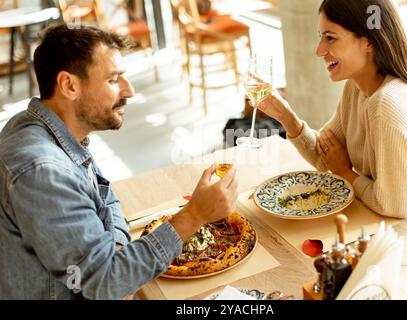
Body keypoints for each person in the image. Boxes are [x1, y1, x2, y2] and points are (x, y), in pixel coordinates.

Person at [0, 24, 238, 299]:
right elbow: (107, 284)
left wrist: (117, 254)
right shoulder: (42, 171)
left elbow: (107, 199)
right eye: (113, 80)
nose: (130, 91)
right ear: (69, 85)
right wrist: (194, 216)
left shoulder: (43, 126)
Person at [258, 0, 407, 237]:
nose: (319, 50)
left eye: (330, 38)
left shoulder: (387, 105)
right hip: (382, 226)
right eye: (321, 37)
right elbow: (324, 156)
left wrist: (347, 174)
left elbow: (395, 206)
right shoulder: (356, 89)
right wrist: (286, 117)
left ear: (368, 40)